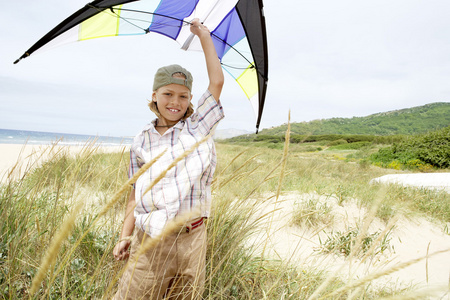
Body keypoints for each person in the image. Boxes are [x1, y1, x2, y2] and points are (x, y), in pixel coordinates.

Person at [112, 18, 224, 300]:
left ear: (190, 100)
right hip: (150, 239)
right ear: (154, 95)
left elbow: (217, 81)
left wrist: (203, 36)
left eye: (183, 96)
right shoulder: (141, 140)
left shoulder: (198, 127)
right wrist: (125, 236)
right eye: (168, 94)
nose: (176, 102)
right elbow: (134, 193)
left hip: (192, 238)